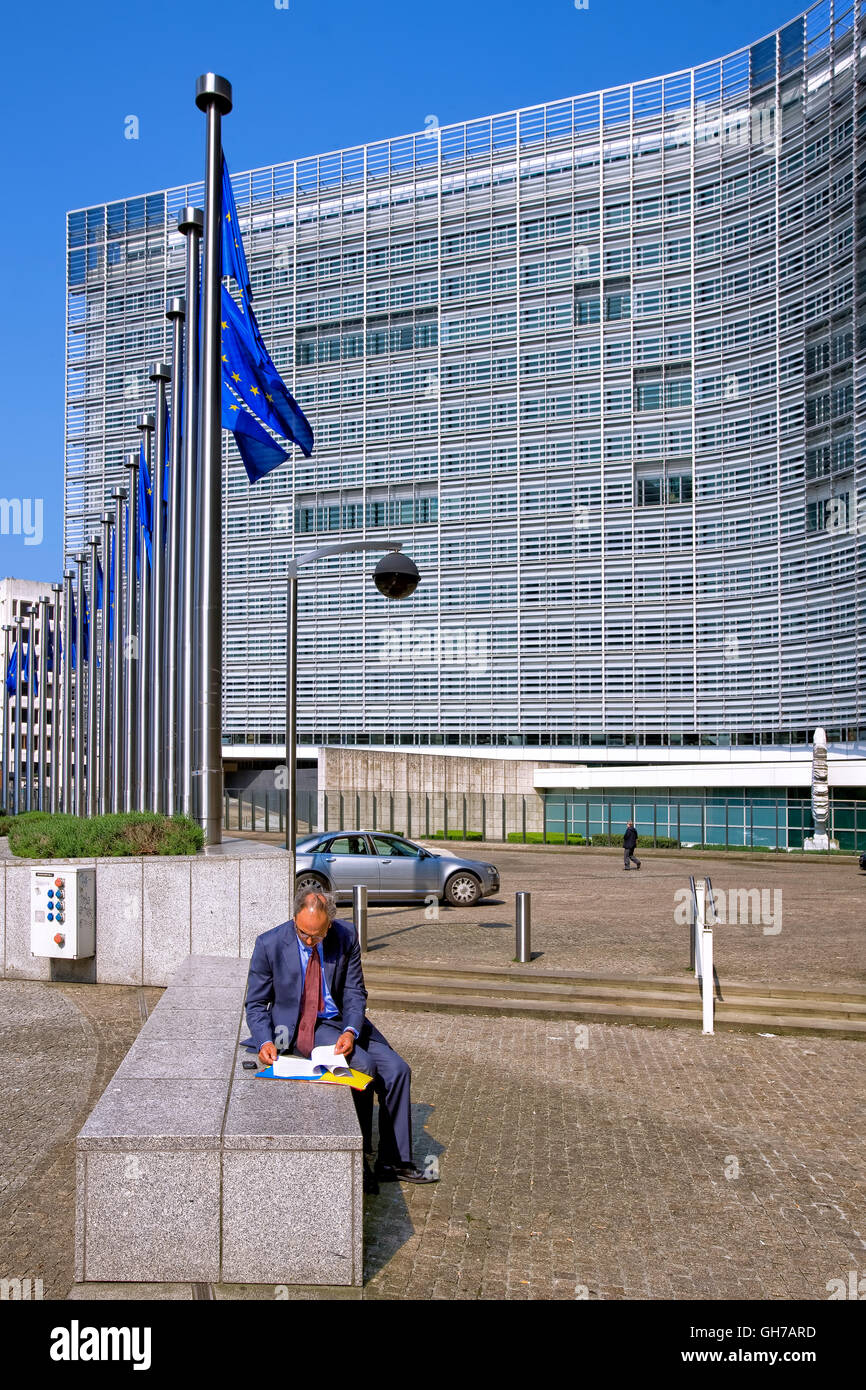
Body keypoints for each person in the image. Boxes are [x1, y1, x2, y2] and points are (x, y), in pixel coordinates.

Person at [244, 887, 438, 1190]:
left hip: (343, 1021)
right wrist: (264, 1041)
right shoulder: (269, 943)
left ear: (329, 924)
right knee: (362, 1065)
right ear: (294, 918)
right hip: (303, 1025)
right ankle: (356, 1159)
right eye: (303, 933)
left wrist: (351, 1030)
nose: (309, 941)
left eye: (316, 935)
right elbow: (255, 1004)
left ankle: (393, 1161)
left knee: (398, 1070)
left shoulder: (346, 936)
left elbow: (354, 991)